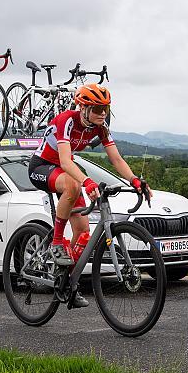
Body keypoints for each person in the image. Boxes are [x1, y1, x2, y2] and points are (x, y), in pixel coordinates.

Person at [27, 83, 151, 308]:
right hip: (42, 167)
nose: (102, 113)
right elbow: (65, 161)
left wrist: (134, 180)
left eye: (105, 108)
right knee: (74, 185)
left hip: (66, 171)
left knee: (83, 233)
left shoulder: (100, 127)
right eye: (96, 108)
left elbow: (116, 159)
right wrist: (87, 181)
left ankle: (67, 283)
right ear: (82, 107)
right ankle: (55, 243)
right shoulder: (66, 120)